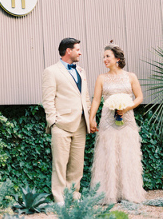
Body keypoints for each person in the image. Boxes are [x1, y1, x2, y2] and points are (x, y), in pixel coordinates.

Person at [89, 43, 146, 203]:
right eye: (104, 57)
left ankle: (129, 193)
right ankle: (109, 194)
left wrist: (128, 107)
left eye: (107, 56)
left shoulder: (131, 76)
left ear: (117, 59)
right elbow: (96, 100)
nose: (104, 59)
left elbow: (139, 97)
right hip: (107, 121)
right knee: (108, 155)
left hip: (127, 120)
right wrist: (92, 117)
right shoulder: (101, 78)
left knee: (127, 154)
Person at [42, 38, 91, 204]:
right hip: (61, 125)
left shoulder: (82, 71)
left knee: (77, 166)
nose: (80, 52)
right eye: (77, 49)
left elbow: (85, 97)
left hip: (81, 124)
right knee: (60, 164)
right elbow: (48, 99)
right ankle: (59, 198)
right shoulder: (51, 71)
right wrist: (53, 121)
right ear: (68, 51)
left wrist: (90, 118)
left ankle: (73, 195)